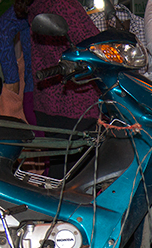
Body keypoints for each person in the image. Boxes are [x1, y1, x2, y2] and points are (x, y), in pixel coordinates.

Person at [28, 0, 100, 178]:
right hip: (74, 103)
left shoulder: (41, 4)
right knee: (78, 177)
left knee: (62, 173)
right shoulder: (61, 4)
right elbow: (94, 44)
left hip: (51, 100)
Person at [0, 0, 36, 125]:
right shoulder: (37, 5)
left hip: (41, 90)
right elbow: (3, 28)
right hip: (39, 92)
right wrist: (12, 81)